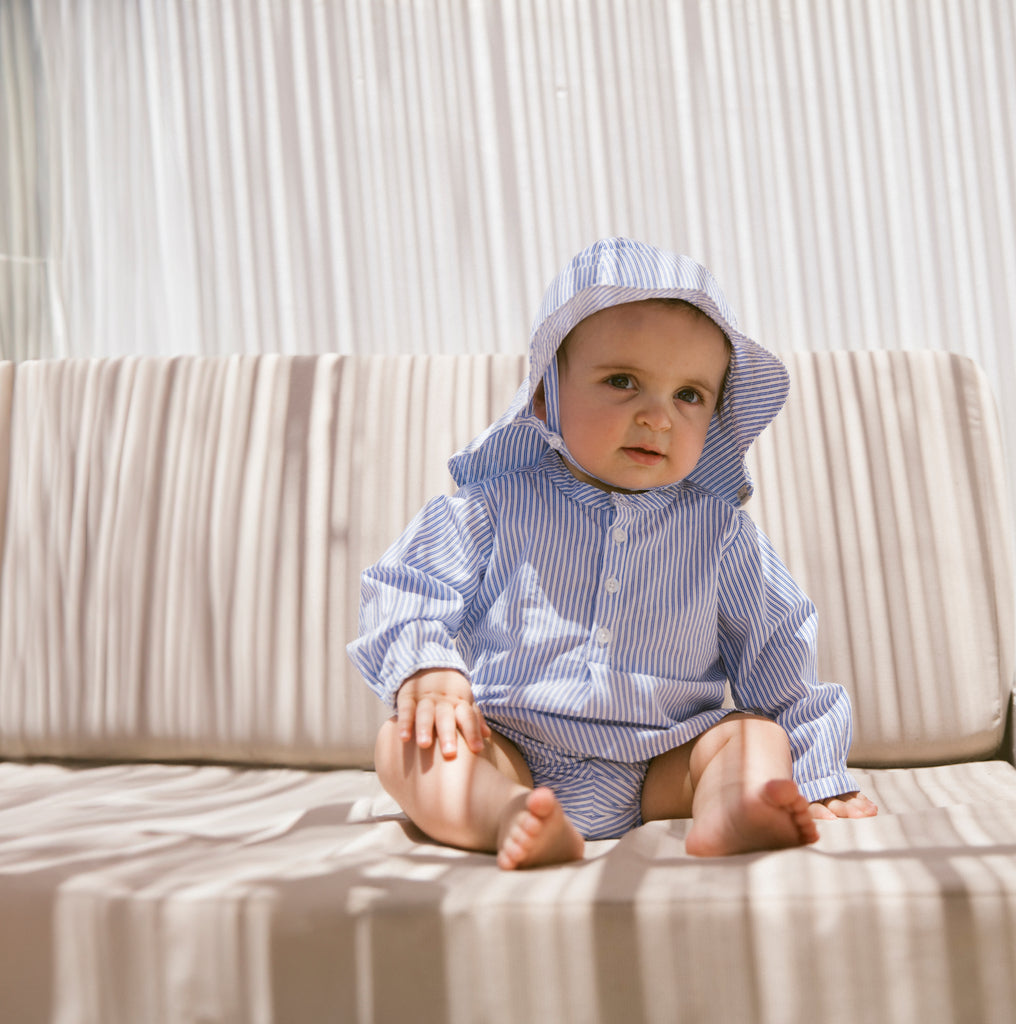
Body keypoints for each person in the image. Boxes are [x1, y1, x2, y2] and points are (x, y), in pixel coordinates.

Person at [348, 237, 877, 870]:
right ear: (545, 397)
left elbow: (780, 652)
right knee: (404, 748)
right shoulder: (492, 507)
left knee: (752, 735)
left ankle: (735, 806)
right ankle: (503, 814)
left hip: (664, 762)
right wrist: (427, 671)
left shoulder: (721, 536)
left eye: (689, 395)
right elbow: (404, 585)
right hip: (512, 746)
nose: (657, 417)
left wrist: (820, 775)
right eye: (622, 382)